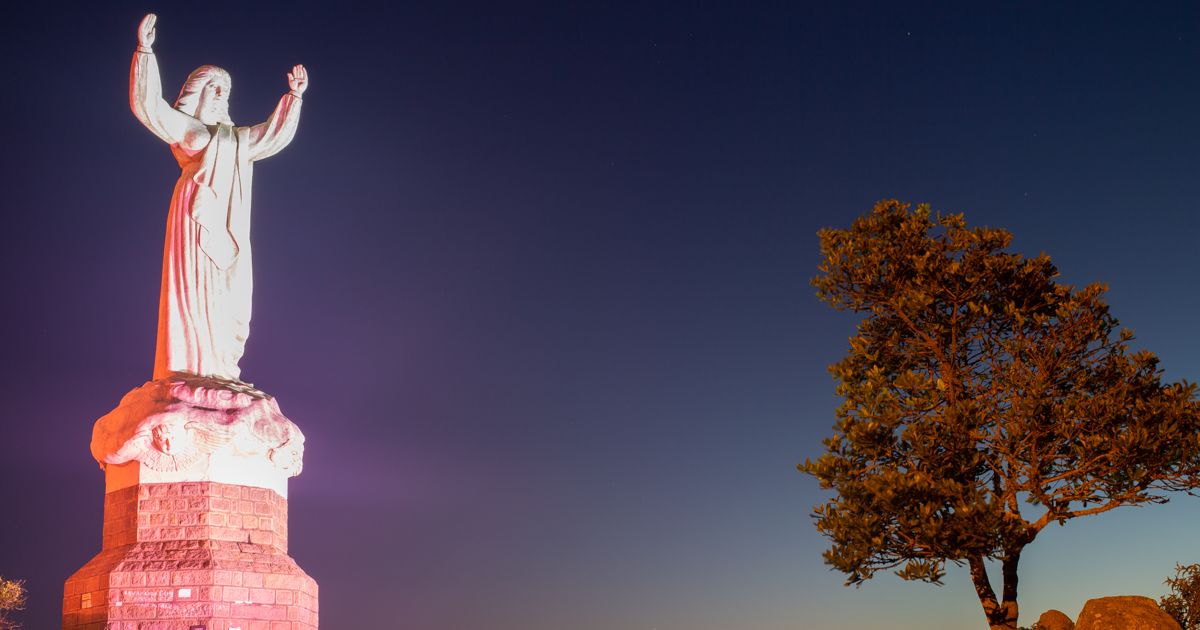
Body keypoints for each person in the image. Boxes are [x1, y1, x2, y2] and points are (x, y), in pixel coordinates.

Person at [129, 13, 308, 381]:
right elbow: (150, 108)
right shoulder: (188, 127)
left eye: (225, 90)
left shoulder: (237, 138)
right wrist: (145, 52)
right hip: (194, 217)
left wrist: (293, 98)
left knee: (229, 294)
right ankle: (187, 369)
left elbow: (269, 137)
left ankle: (220, 370)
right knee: (192, 289)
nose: (221, 94)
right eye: (214, 87)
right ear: (199, 91)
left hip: (227, 222)